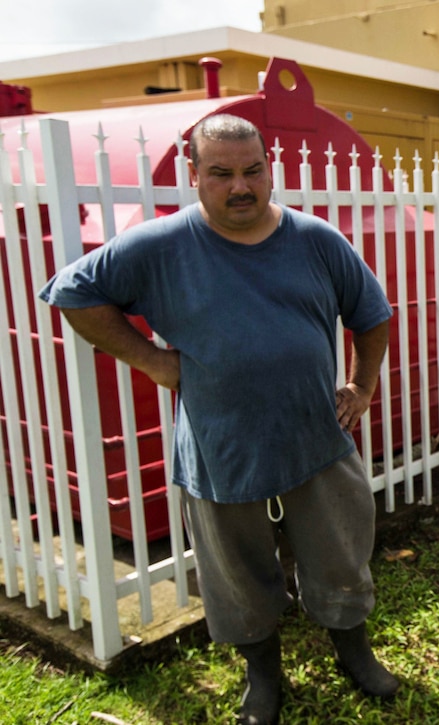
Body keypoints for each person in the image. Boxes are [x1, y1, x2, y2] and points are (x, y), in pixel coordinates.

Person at [40, 113, 400, 725]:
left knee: (340, 555)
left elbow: (372, 314)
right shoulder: (159, 246)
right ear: (195, 176)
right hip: (218, 448)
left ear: (269, 170)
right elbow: (73, 291)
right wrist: (150, 360)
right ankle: (262, 675)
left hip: (317, 438)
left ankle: (354, 652)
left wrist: (361, 386)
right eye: (221, 173)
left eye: (252, 170)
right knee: (237, 575)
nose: (240, 186)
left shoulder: (316, 240)